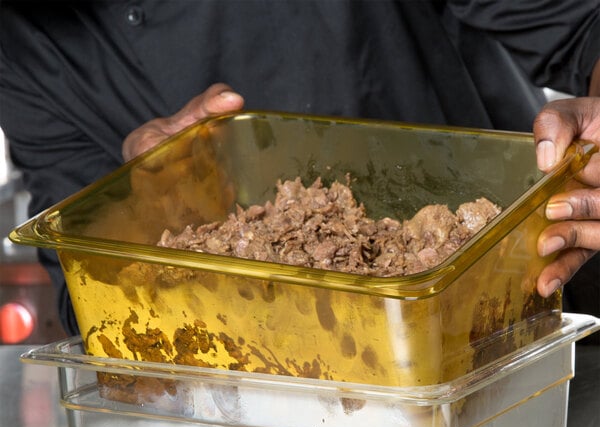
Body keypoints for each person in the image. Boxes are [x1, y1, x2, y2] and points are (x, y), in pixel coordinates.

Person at [0, 0, 599, 337]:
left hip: (531, 319)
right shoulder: (19, 42)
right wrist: (140, 202)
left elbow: (582, 26)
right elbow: (86, 297)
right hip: (254, 414)